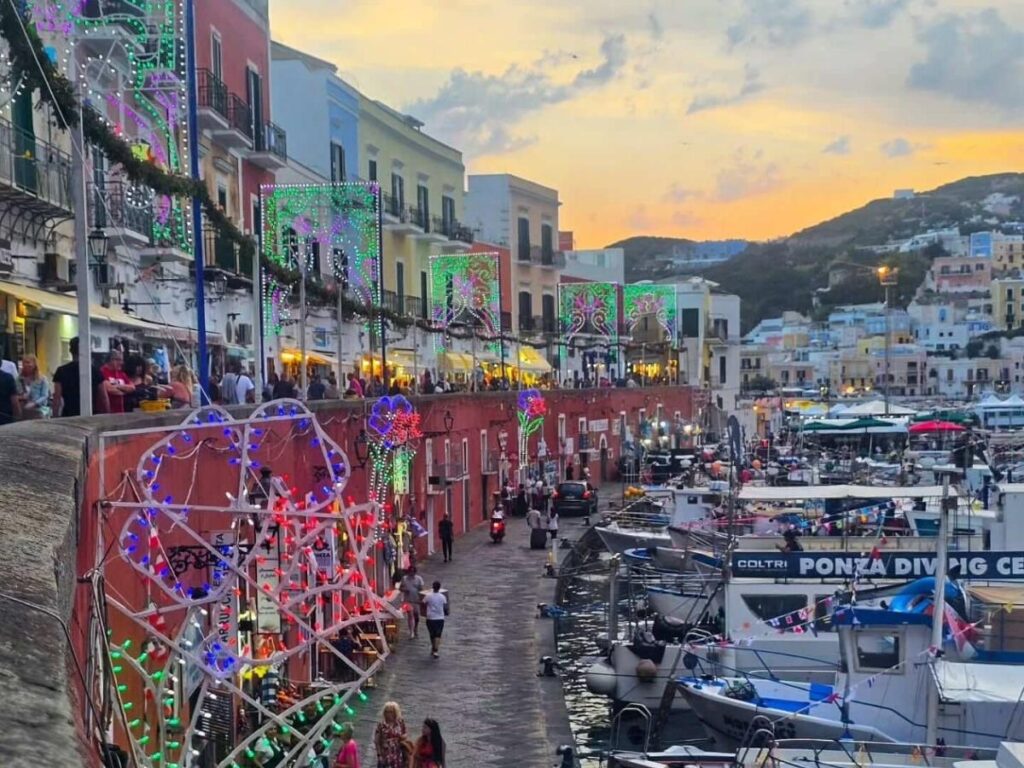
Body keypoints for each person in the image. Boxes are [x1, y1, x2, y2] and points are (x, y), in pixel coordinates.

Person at [53, 337, 108, 417]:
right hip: (90, 415)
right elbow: (104, 397)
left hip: (69, 415)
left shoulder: (61, 371)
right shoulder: (94, 371)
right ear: (86, 351)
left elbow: (56, 399)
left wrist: (55, 417)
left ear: (70, 351)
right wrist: (108, 414)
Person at [373, 701, 407, 768]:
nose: (388, 714)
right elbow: (377, 741)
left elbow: (405, 733)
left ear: (395, 712)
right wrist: (379, 755)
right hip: (385, 753)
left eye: (391, 712)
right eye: (387, 711)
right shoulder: (381, 725)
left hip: (397, 752)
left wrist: (401, 737)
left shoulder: (400, 722)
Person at [17, 354, 50, 419]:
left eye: (28, 362)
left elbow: (45, 395)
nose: (26, 365)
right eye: (24, 363)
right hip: (23, 410)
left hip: (39, 410)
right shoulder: (19, 379)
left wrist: (34, 403)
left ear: (34, 364)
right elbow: (15, 394)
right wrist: (21, 397)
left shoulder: (42, 378)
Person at [423, 581, 447, 659]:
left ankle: (434, 649)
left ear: (433, 587)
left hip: (430, 617)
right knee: (438, 634)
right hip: (440, 618)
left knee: (432, 634)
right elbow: (445, 607)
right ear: (439, 588)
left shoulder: (428, 596)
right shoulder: (443, 597)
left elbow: (423, 603)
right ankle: (435, 650)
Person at [399, 567, 424, 639]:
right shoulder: (404, 579)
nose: (411, 574)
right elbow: (400, 588)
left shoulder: (419, 579)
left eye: (413, 572)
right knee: (410, 615)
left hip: (416, 600)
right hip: (408, 600)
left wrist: (421, 599)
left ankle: (415, 628)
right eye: (410, 572)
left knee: (416, 616)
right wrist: (404, 590)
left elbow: (421, 589)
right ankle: (411, 632)